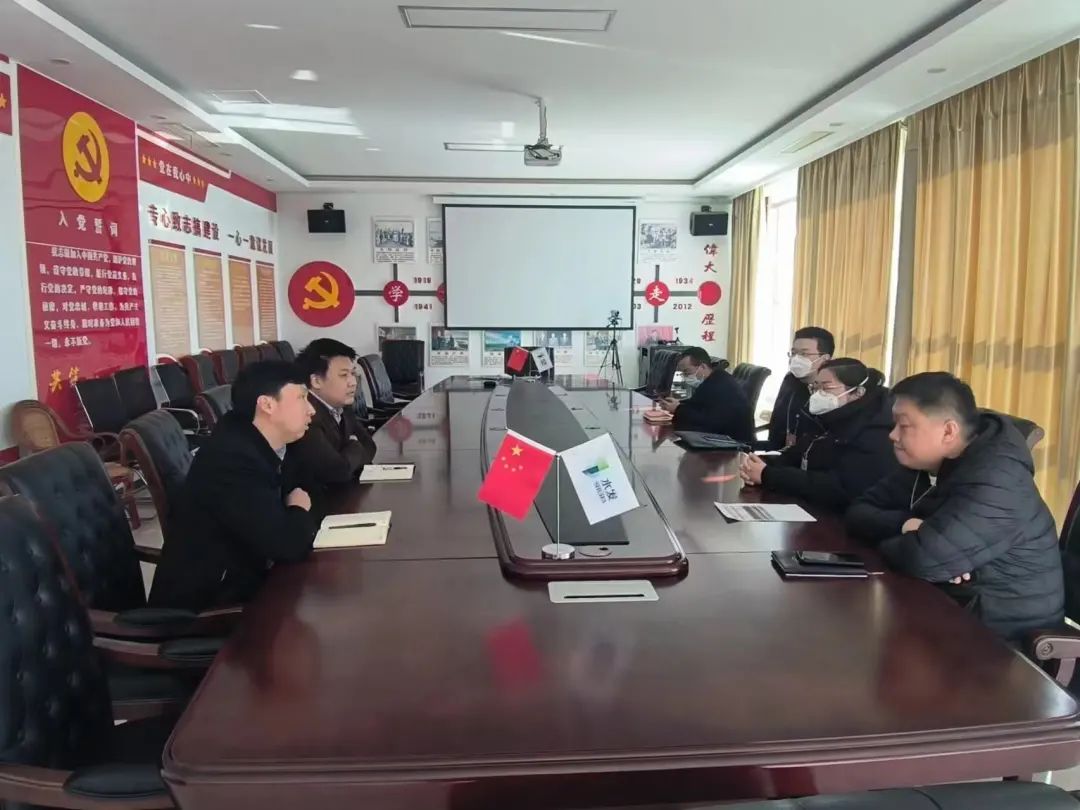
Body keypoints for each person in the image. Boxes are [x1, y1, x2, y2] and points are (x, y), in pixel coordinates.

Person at [845, 371, 1064, 641]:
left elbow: (921, 560)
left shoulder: (998, 479)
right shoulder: (927, 464)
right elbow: (858, 513)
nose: (892, 435)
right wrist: (906, 525)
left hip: (1001, 637)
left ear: (948, 431)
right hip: (947, 605)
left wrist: (920, 544)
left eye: (904, 426)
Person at [149, 360, 318, 611]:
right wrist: (299, 509)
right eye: (301, 397)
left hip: (242, 586)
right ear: (267, 404)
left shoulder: (254, 439)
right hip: (209, 611)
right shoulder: (233, 460)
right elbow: (287, 545)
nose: (311, 409)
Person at [739, 358, 900, 510]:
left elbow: (840, 487)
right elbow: (798, 455)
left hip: (846, 517)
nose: (817, 395)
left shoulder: (876, 430)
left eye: (826, 388)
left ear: (857, 392)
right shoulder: (828, 417)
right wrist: (762, 463)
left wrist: (768, 475)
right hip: (813, 507)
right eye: (815, 388)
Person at [286, 338, 376, 493]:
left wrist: (347, 455)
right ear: (316, 381)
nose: (353, 382)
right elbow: (337, 471)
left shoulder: (342, 406)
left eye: (353, 373)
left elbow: (370, 446)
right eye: (344, 375)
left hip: (343, 493)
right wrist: (354, 445)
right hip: (317, 501)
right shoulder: (306, 417)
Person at [657, 347, 755, 443]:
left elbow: (708, 421)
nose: (685, 376)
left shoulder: (720, 385)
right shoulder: (714, 379)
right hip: (718, 436)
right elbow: (699, 406)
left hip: (733, 444)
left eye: (687, 371)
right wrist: (678, 404)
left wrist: (678, 409)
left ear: (703, 367)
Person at [766, 326, 834, 450]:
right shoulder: (790, 380)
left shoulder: (835, 391)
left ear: (825, 359)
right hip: (782, 453)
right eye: (793, 353)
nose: (796, 359)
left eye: (804, 354)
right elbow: (777, 428)